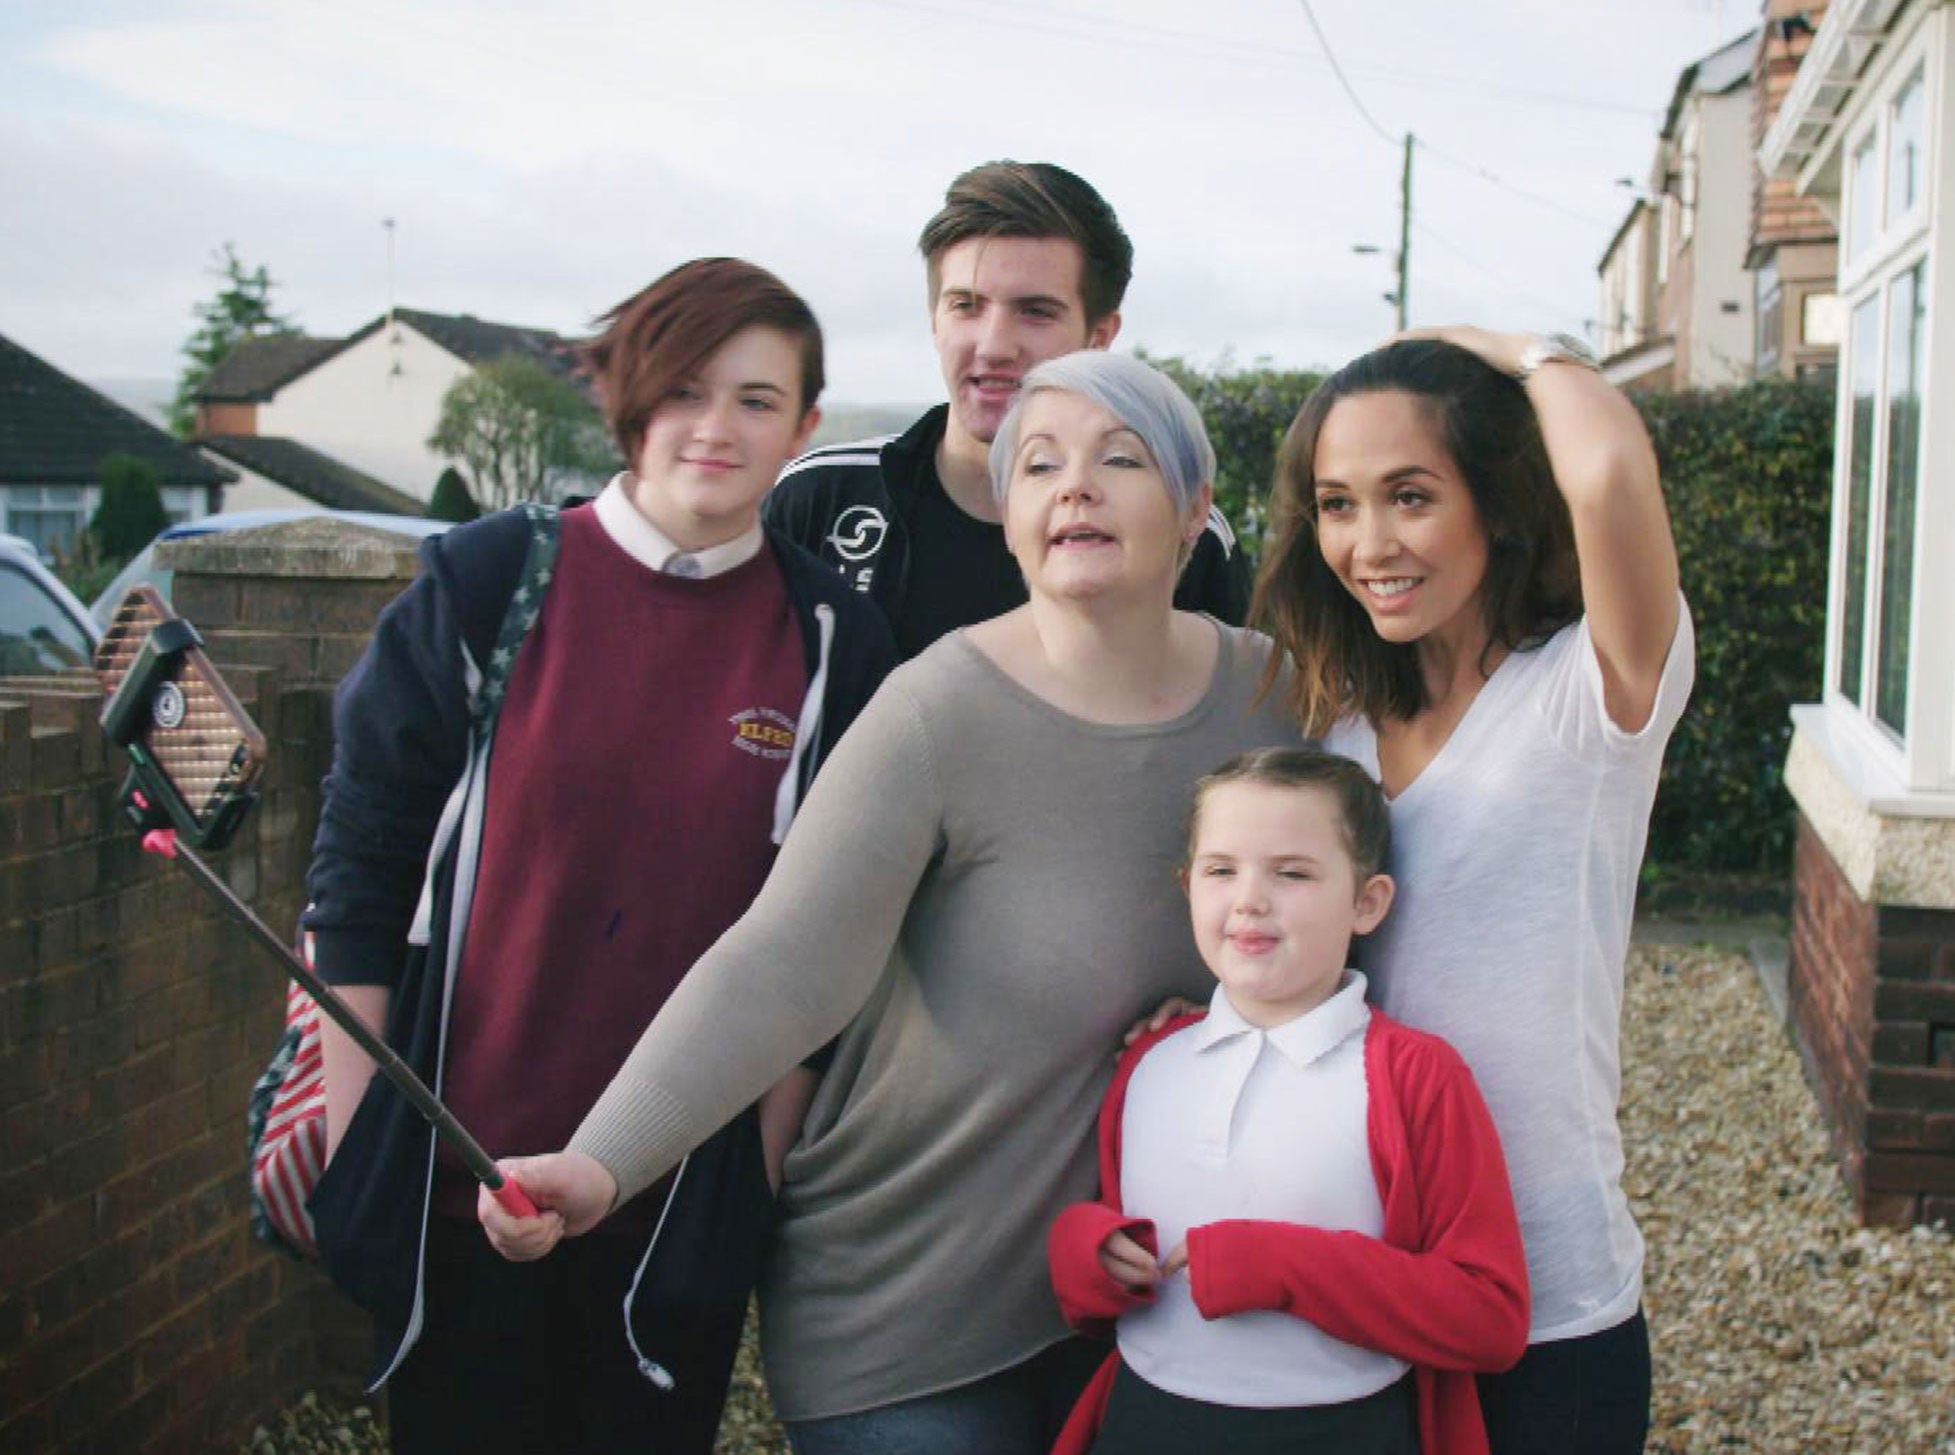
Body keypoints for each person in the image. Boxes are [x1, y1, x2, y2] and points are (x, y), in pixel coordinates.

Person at [480, 351, 1304, 1455]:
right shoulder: (937, 709)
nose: (1074, 486)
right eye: (1039, 465)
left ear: (1197, 509)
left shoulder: (1278, 703)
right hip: (907, 1306)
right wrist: (600, 1163)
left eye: (1121, 458)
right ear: (1008, 516)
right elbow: (782, 962)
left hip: (1154, 1302)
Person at [299, 258, 897, 1455]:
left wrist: (751, 1179)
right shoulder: (485, 582)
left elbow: (833, 939)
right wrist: (368, 1146)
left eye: (755, 399)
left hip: (675, 1207)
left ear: (806, 428)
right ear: (627, 401)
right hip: (462, 1174)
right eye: (681, 390)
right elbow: (359, 872)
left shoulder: (836, 634)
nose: (714, 428)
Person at [1255, 328, 1693, 1455]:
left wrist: (1511, 349)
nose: (1368, 544)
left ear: (1495, 503)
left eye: (1409, 496)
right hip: (1364, 1271)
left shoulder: (1589, 697)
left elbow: (1601, 472)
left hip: (1545, 1290)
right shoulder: (1336, 726)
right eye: (1337, 505)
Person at [1047, 748, 1529, 1455]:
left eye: (1293, 873)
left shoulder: (1415, 1075)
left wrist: (1280, 1268)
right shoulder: (1149, 1061)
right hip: (1145, 1424)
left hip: (1338, 1431)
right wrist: (1085, 1254)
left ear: (1368, 902)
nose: (1248, 898)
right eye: (1220, 870)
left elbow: (1490, 1316)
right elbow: (1114, 1246)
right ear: (1188, 887)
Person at [764, 159, 1250, 655]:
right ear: (935, 321)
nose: (994, 345)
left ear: (1100, 336)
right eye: (966, 306)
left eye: (1035, 311)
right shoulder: (822, 498)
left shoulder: (1178, 533)